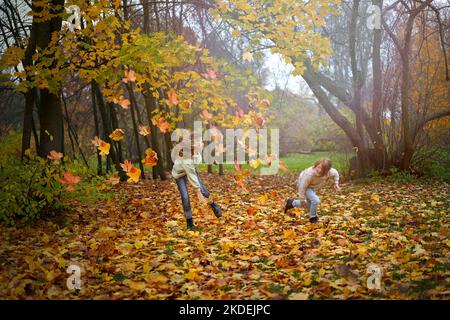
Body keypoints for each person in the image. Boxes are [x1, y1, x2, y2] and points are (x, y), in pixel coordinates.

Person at [171, 132, 222, 230]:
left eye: (201, 141)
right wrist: (198, 192)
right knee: (185, 197)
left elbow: (202, 156)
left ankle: (213, 204)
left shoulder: (197, 150)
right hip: (179, 175)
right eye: (199, 142)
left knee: (204, 191)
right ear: (192, 144)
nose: (202, 143)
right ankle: (189, 223)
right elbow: (191, 177)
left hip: (191, 169)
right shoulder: (186, 159)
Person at [283, 158, 340, 223]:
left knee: (311, 205)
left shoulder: (330, 172)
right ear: (316, 165)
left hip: (312, 187)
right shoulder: (309, 174)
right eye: (318, 167)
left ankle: (291, 202)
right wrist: (302, 198)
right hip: (303, 184)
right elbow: (302, 186)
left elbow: (336, 173)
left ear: (327, 170)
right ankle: (313, 218)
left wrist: (336, 183)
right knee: (315, 201)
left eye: (323, 169)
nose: (319, 170)